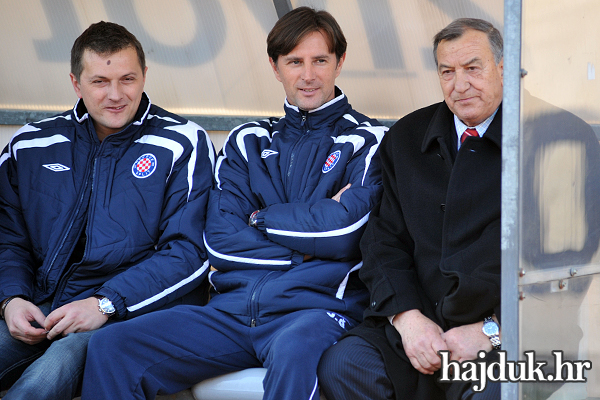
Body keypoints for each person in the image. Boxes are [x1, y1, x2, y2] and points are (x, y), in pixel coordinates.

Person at [80, 7, 387, 400]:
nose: (308, 76)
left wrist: (257, 219)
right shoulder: (248, 140)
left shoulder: (370, 140)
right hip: (230, 311)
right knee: (113, 346)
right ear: (276, 68)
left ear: (339, 63)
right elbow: (221, 239)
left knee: (297, 352)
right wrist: (309, 249)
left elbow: (344, 233)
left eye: (320, 61)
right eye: (294, 62)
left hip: (315, 312)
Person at [0, 21, 215, 400]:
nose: (116, 95)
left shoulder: (183, 142)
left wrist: (106, 303)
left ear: (145, 76)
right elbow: (7, 236)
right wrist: (10, 299)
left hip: (126, 313)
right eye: (100, 81)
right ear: (75, 82)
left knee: (40, 385)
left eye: (128, 79)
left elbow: (188, 251)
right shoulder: (31, 143)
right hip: (38, 305)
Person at [318, 18, 505, 400]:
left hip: (506, 332)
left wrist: (494, 329)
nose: (460, 84)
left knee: (498, 392)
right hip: (419, 321)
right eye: (447, 71)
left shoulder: (550, 137)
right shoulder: (407, 137)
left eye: (473, 68)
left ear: (505, 67)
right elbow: (382, 241)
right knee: (345, 365)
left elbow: (567, 267)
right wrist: (408, 319)